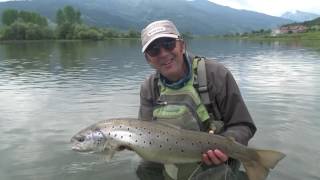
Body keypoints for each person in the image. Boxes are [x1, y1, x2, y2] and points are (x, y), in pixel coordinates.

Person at [137, 20, 256, 180]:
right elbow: (144, 131)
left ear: (182, 45)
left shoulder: (216, 74)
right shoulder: (148, 88)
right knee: (142, 168)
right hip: (167, 152)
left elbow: (243, 124)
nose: (163, 53)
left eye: (169, 44)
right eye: (154, 50)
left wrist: (225, 146)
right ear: (148, 59)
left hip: (215, 159)